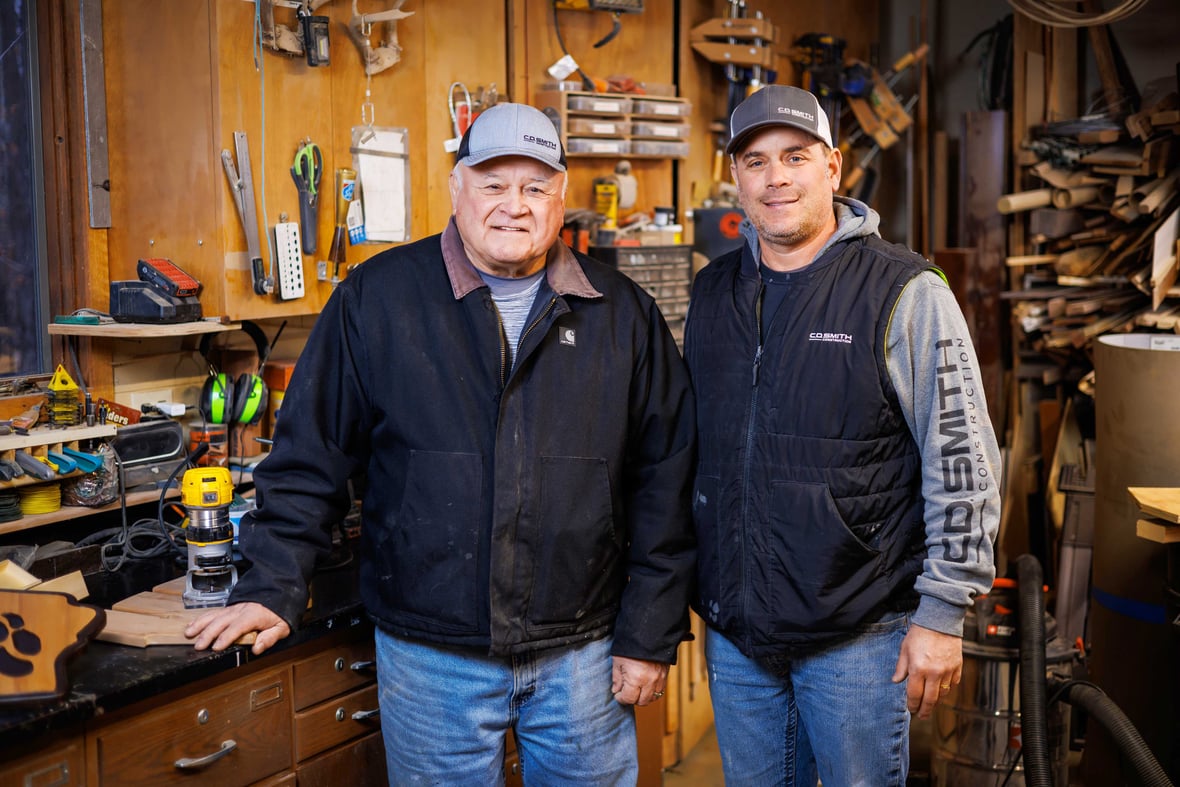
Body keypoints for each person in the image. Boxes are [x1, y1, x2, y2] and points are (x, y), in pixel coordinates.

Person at [187, 102, 697, 784]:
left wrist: (649, 632)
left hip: (585, 654)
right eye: (492, 183)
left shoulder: (622, 313)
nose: (514, 205)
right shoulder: (380, 299)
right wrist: (272, 582)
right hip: (431, 658)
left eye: (535, 187)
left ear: (561, 198)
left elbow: (665, 482)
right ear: (456, 188)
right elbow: (311, 453)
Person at [683, 84, 1001, 786]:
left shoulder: (906, 291)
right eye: (756, 161)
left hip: (859, 632)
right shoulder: (712, 294)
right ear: (735, 177)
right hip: (740, 634)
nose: (776, 178)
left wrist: (943, 613)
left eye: (794, 156)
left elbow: (964, 458)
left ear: (833, 166)